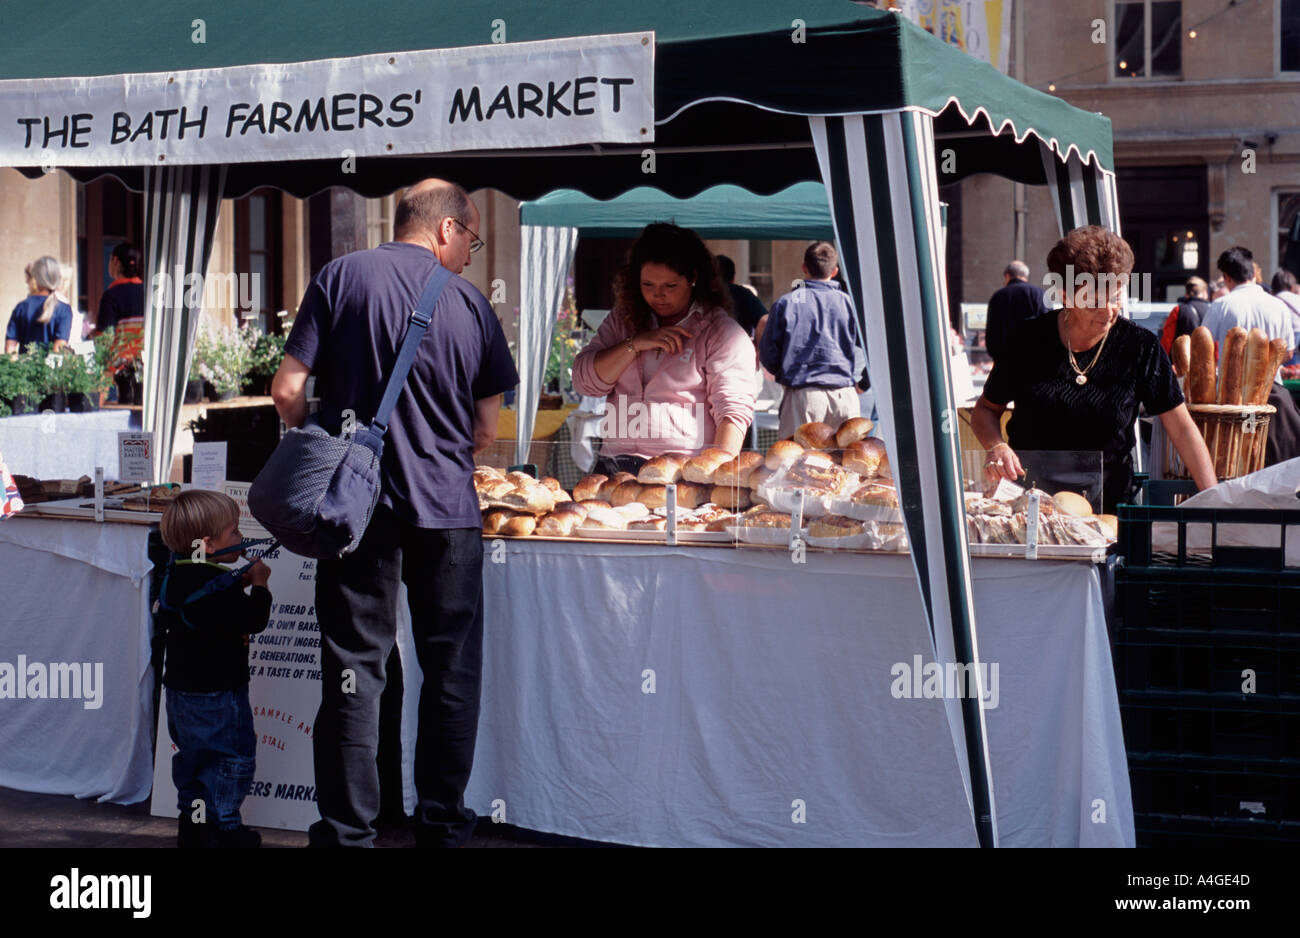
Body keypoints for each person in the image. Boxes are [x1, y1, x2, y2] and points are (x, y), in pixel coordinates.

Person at [271, 178, 518, 848]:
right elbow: (487, 428)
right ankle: (442, 823)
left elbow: (288, 389)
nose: (470, 252)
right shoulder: (470, 303)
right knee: (451, 670)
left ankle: (349, 832)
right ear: (445, 229)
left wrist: (320, 444)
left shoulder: (339, 276)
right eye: (470, 237)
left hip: (356, 512)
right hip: (447, 510)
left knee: (354, 669)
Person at [973, 226, 1215, 512]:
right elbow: (986, 409)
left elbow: (1183, 429)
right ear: (1065, 296)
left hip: (1110, 511)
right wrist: (996, 446)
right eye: (1093, 302)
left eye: (1115, 297)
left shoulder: (1140, 347)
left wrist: (1214, 499)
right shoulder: (1027, 340)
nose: (1108, 311)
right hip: (1030, 507)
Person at [572, 223, 756, 474]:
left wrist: (717, 477)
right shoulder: (622, 320)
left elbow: (732, 413)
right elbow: (585, 382)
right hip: (614, 464)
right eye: (647, 285)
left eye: (670, 286)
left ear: (693, 278)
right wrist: (634, 344)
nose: (658, 295)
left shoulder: (720, 332)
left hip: (683, 469)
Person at [156, 490, 273, 848]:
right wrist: (261, 585)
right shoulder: (221, 590)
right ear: (208, 545)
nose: (241, 538)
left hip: (179, 693)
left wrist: (233, 584)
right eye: (235, 532)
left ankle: (192, 826)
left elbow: (198, 609)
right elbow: (254, 620)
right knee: (230, 759)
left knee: (192, 760)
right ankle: (224, 830)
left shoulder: (174, 574)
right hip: (220, 693)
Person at [1201, 246, 1300, 463]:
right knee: (1266, 460)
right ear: (1253, 273)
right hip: (1271, 398)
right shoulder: (1278, 305)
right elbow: (1288, 351)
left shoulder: (1220, 306)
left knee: (1239, 462)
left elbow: (1203, 350)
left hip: (1232, 403)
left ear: (1226, 277)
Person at [758, 241, 864, 440]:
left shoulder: (787, 303)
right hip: (843, 394)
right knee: (846, 466)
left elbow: (768, 353)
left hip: (802, 394)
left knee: (796, 465)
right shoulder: (849, 304)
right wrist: (864, 383)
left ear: (804, 268)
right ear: (834, 271)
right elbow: (873, 350)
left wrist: (784, 374)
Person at [983, 260, 1051, 363]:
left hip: (1005, 360)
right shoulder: (1039, 294)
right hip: (1033, 359)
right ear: (1026, 276)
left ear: (1007, 276)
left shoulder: (998, 296)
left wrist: (995, 355)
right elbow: (1049, 326)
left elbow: (992, 331)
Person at [5, 256, 71, 354]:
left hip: (24, 367)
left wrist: (14, 367)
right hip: (49, 368)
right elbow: (59, 347)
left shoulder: (21, 307)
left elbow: (10, 346)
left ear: (36, 277)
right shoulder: (63, 309)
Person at [94, 243, 145, 334]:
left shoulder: (111, 296)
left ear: (115, 261)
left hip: (123, 348)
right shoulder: (148, 291)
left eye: (110, 259)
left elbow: (105, 339)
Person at [715, 253, 768, 338]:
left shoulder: (701, 295)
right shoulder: (743, 294)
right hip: (739, 348)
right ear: (733, 278)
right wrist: (756, 347)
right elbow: (764, 321)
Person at [1159, 275, 1209, 355]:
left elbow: (1167, 340)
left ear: (1186, 293)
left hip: (1181, 362)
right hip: (1205, 362)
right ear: (1204, 292)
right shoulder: (1212, 310)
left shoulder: (1178, 310)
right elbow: (1216, 342)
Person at [1271, 269, 1300, 366]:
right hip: (1297, 333)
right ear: (1292, 287)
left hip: (1281, 335)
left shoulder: (1272, 300)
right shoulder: (1297, 298)